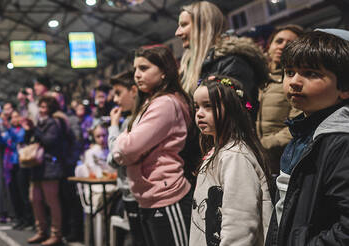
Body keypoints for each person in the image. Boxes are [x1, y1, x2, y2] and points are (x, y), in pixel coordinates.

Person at [266, 29, 349, 245]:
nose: (294, 81)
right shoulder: (305, 130)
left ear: (345, 87)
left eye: (311, 73)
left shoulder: (340, 140)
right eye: (290, 71)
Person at [113, 45, 194, 246]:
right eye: (135, 70)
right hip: (150, 195)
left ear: (164, 71)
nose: (137, 75)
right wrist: (125, 146)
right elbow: (127, 149)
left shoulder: (165, 103)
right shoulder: (151, 101)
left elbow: (126, 148)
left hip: (167, 195)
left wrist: (121, 144)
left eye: (144, 68)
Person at [189, 76, 273, 246]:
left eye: (208, 106)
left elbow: (240, 220)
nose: (199, 113)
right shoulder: (220, 151)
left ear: (231, 109)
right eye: (197, 107)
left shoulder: (234, 156)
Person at [176, 1, 269, 118]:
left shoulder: (234, 61)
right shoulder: (188, 69)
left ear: (204, 26)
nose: (177, 32)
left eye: (184, 25)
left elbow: (244, 108)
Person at [257, 25, 304, 173]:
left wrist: (262, 145)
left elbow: (297, 125)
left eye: (289, 43)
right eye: (279, 41)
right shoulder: (258, 79)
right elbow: (249, 107)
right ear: (269, 46)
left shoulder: (296, 82)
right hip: (256, 160)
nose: (283, 46)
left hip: (282, 161)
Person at [107, 70, 146, 246]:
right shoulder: (129, 119)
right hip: (130, 191)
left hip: (137, 192)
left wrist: (113, 126)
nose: (115, 100)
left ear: (133, 90)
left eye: (118, 93)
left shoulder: (134, 120)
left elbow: (117, 155)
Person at [27, 96, 69, 246]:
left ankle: (56, 234)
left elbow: (49, 141)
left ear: (51, 109)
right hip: (37, 167)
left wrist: (34, 129)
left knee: (52, 201)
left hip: (50, 167)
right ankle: (41, 231)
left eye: (45, 107)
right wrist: (30, 130)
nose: (42, 110)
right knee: (35, 199)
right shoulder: (40, 123)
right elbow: (31, 140)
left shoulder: (53, 123)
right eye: (41, 107)